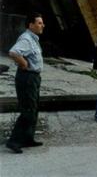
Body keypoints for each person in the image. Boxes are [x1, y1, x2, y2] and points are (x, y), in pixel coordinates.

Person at [6, 13, 45, 154]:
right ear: (30, 25)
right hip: (27, 77)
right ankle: (14, 141)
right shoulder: (27, 38)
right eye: (39, 23)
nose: (42, 25)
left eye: (42, 23)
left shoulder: (33, 39)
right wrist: (23, 63)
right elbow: (14, 52)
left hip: (33, 77)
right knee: (28, 110)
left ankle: (28, 138)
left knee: (33, 108)